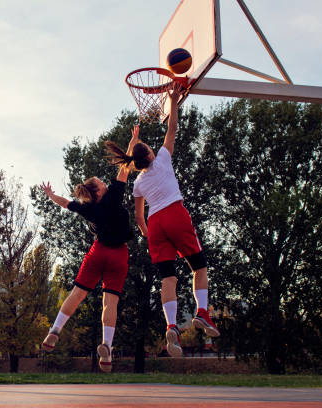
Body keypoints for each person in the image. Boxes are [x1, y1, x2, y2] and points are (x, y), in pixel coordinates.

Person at [105, 90, 220, 358]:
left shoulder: (138, 183)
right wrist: (173, 99)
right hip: (175, 214)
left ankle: (171, 325)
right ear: (151, 155)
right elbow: (172, 127)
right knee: (199, 267)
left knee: (168, 278)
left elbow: (138, 217)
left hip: (155, 224)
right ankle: (202, 312)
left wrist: (147, 234)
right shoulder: (163, 158)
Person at [39, 128, 138, 373]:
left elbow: (65, 203)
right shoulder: (113, 196)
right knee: (110, 302)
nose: (105, 182)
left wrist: (50, 194)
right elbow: (124, 167)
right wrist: (133, 140)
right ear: (99, 191)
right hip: (118, 255)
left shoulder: (88, 208)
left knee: (77, 293)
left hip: (98, 252)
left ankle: (55, 330)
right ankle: (106, 347)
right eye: (101, 183)